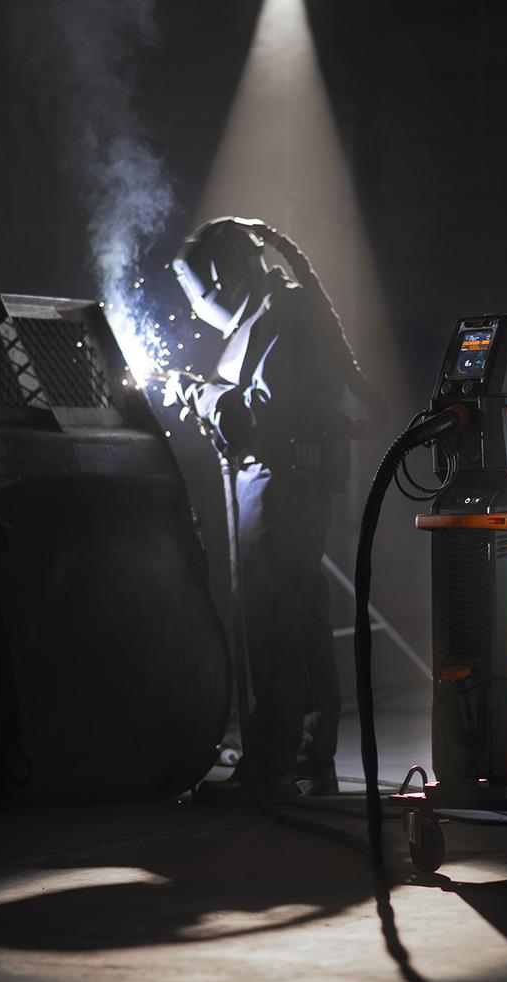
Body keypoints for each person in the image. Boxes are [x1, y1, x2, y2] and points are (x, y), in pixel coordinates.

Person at [169, 217, 385, 800]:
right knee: (299, 617)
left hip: (279, 486)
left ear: (225, 274)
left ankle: (271, 767)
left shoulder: (280, 315)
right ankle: (309, 759)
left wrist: (196, 393)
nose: (198, 310)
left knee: (271, 623)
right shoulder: (276, 311)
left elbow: (254, 416)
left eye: (200, 295)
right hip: (284, 483)